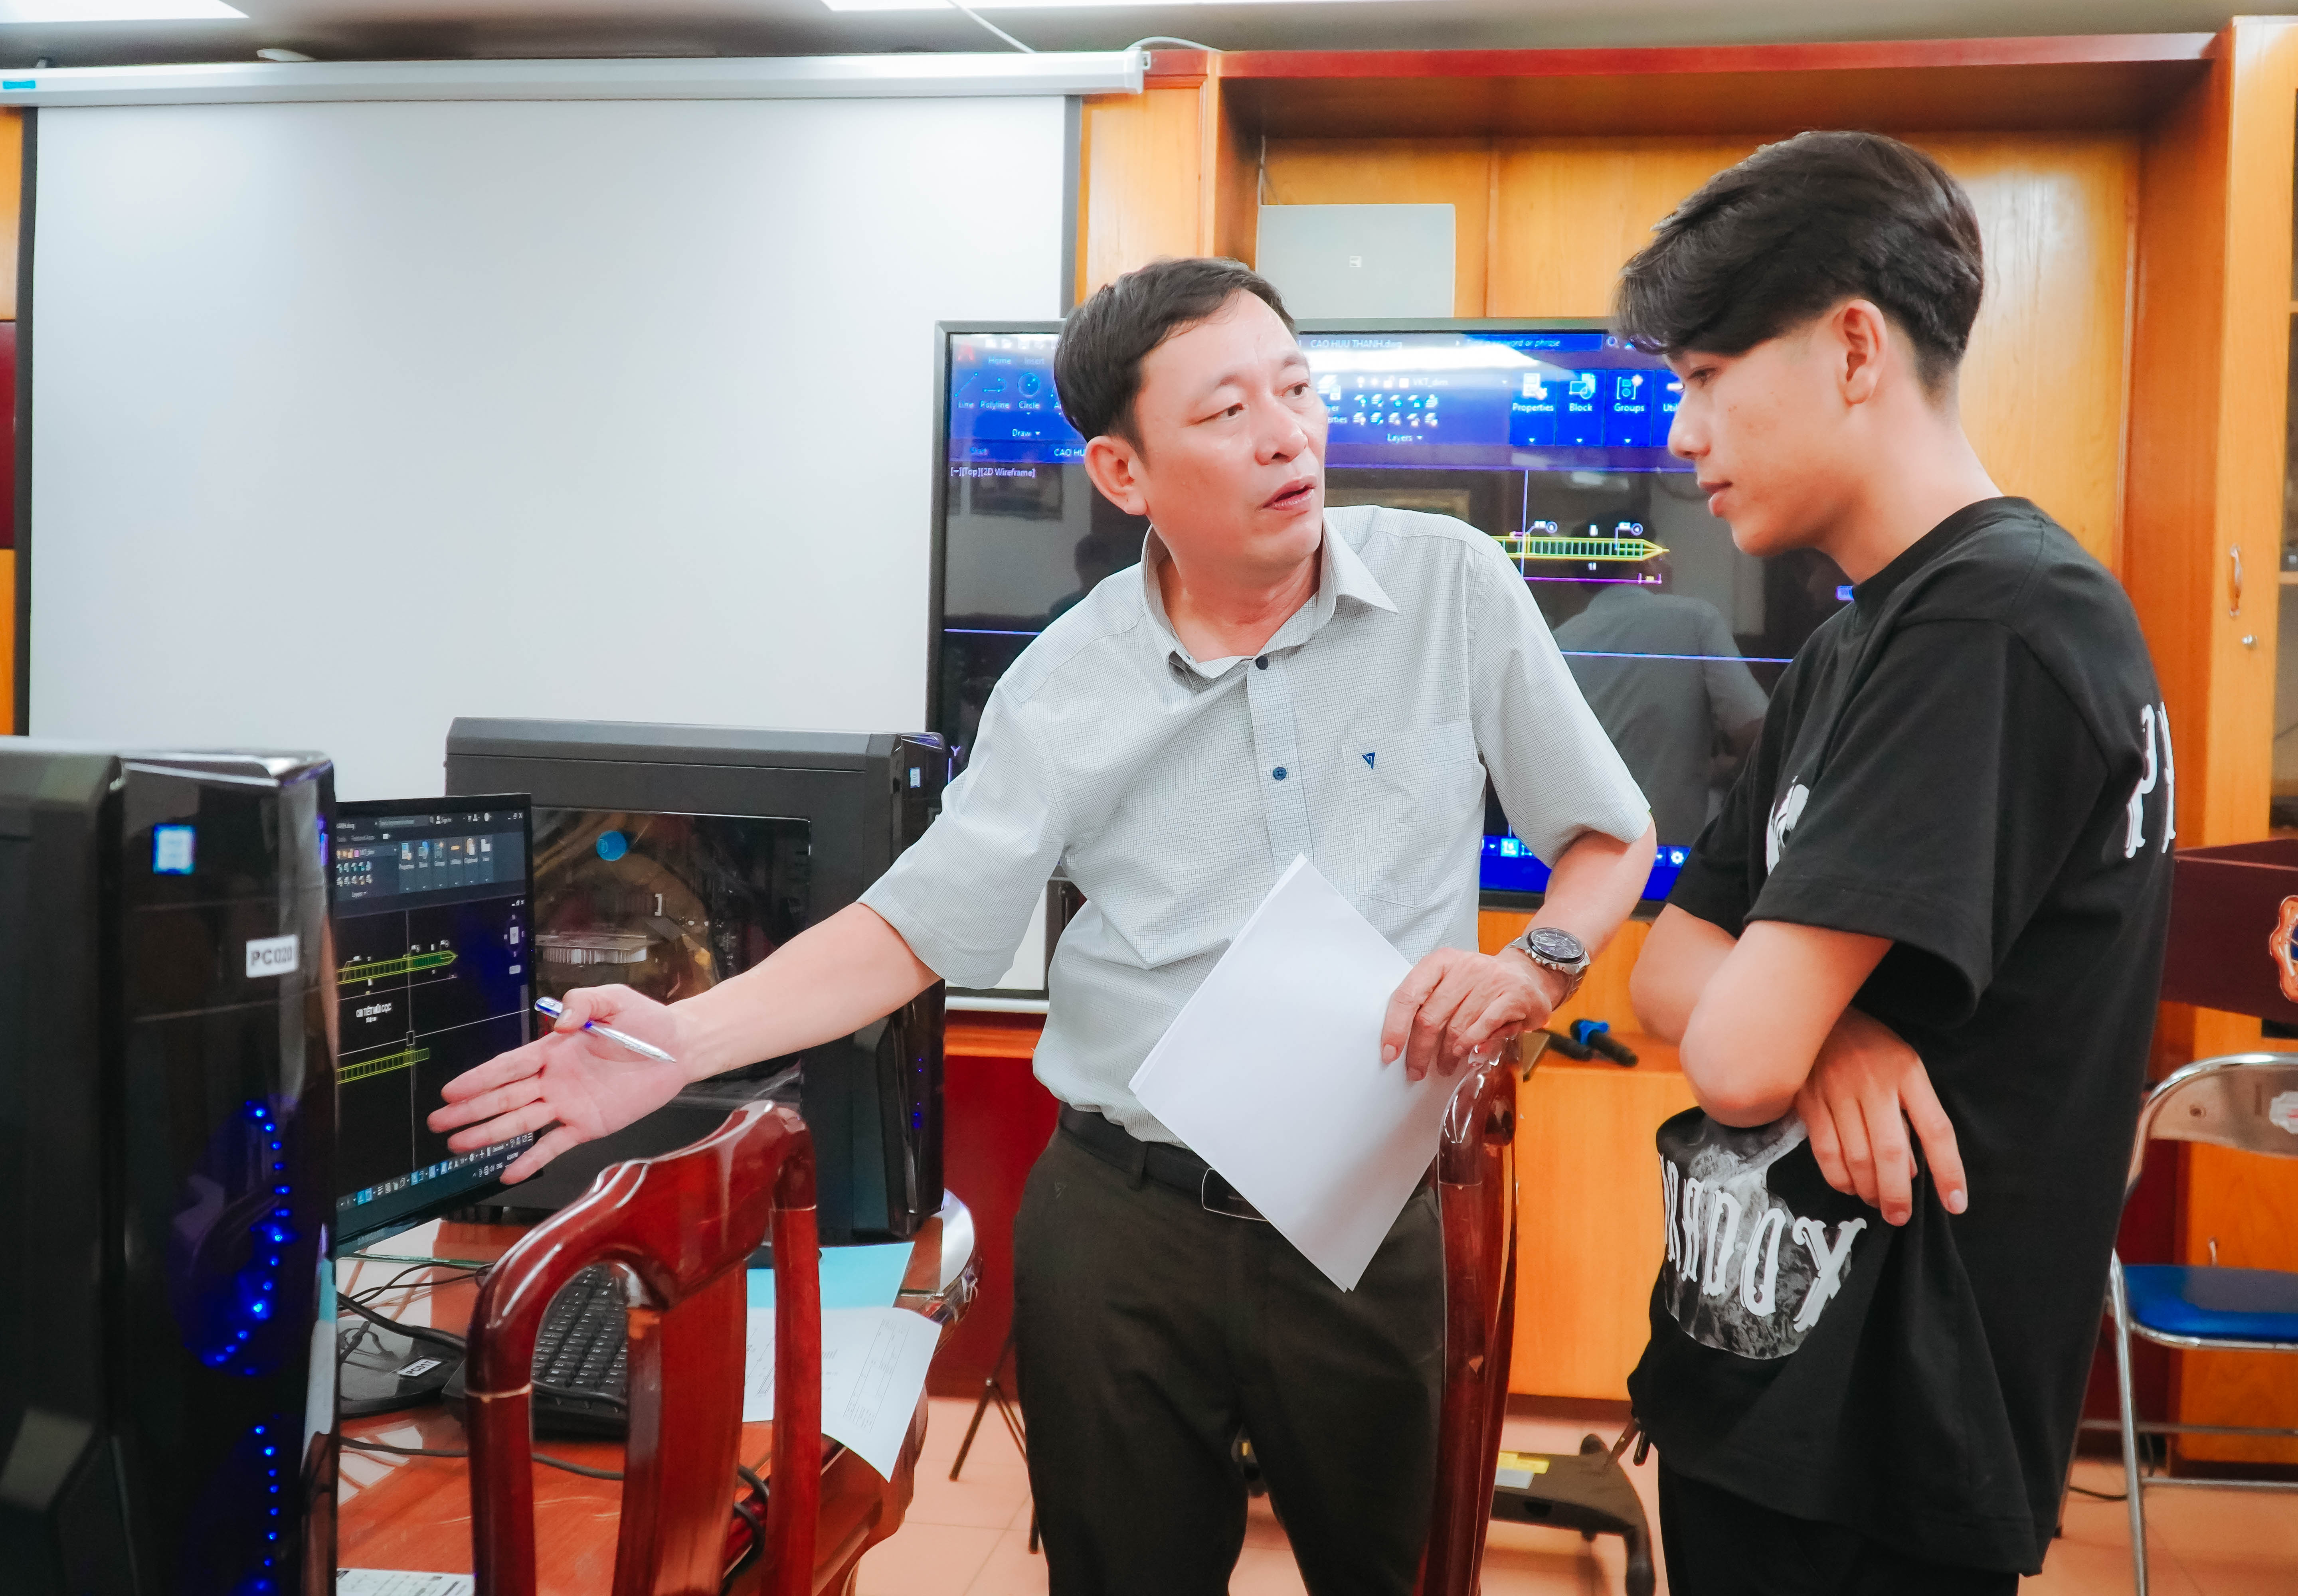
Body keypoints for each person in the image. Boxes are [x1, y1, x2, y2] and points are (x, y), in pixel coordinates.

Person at [430, 256, 1656, 1595]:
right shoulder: (1064, 682)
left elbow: (1608, 835)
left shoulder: (1453, 587)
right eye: (1226, 411)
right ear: (1123, 473)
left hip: (1371, 1207)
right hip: (1127, 1224)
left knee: (1398, 1571)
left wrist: (1537, 964)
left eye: (1297, 390)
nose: (1287, 435)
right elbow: (914, 927)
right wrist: (679, 1043)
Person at [1616, 132, 2175, 1594]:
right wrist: (1837, 1028)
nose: (1681, 433)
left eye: (1706, 377)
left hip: (1883, 1442)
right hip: (1766, 1394)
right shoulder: (1858, 637)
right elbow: (1664, 967)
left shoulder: (1992, 623)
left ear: (1853, 348)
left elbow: (1732, 1052)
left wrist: (1787, 1029)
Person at [1544, 555, 1768, 845]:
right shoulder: (1695, 619)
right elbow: (1756, 732)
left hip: (1583, 852)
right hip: (1670, 853)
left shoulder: (1559, 641)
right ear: (1645, 564)